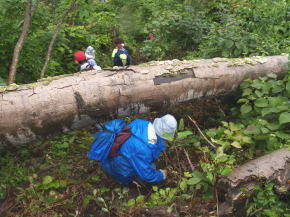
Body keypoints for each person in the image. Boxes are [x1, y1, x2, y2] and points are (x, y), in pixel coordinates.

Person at [88, 114, 177, 184]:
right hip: (116, 166)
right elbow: (147, 175)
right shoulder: (143, 149)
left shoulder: (141, 123)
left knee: (146, 164)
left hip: (116, 155)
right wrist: (161, 175)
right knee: (151, 169)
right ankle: (126, 182)